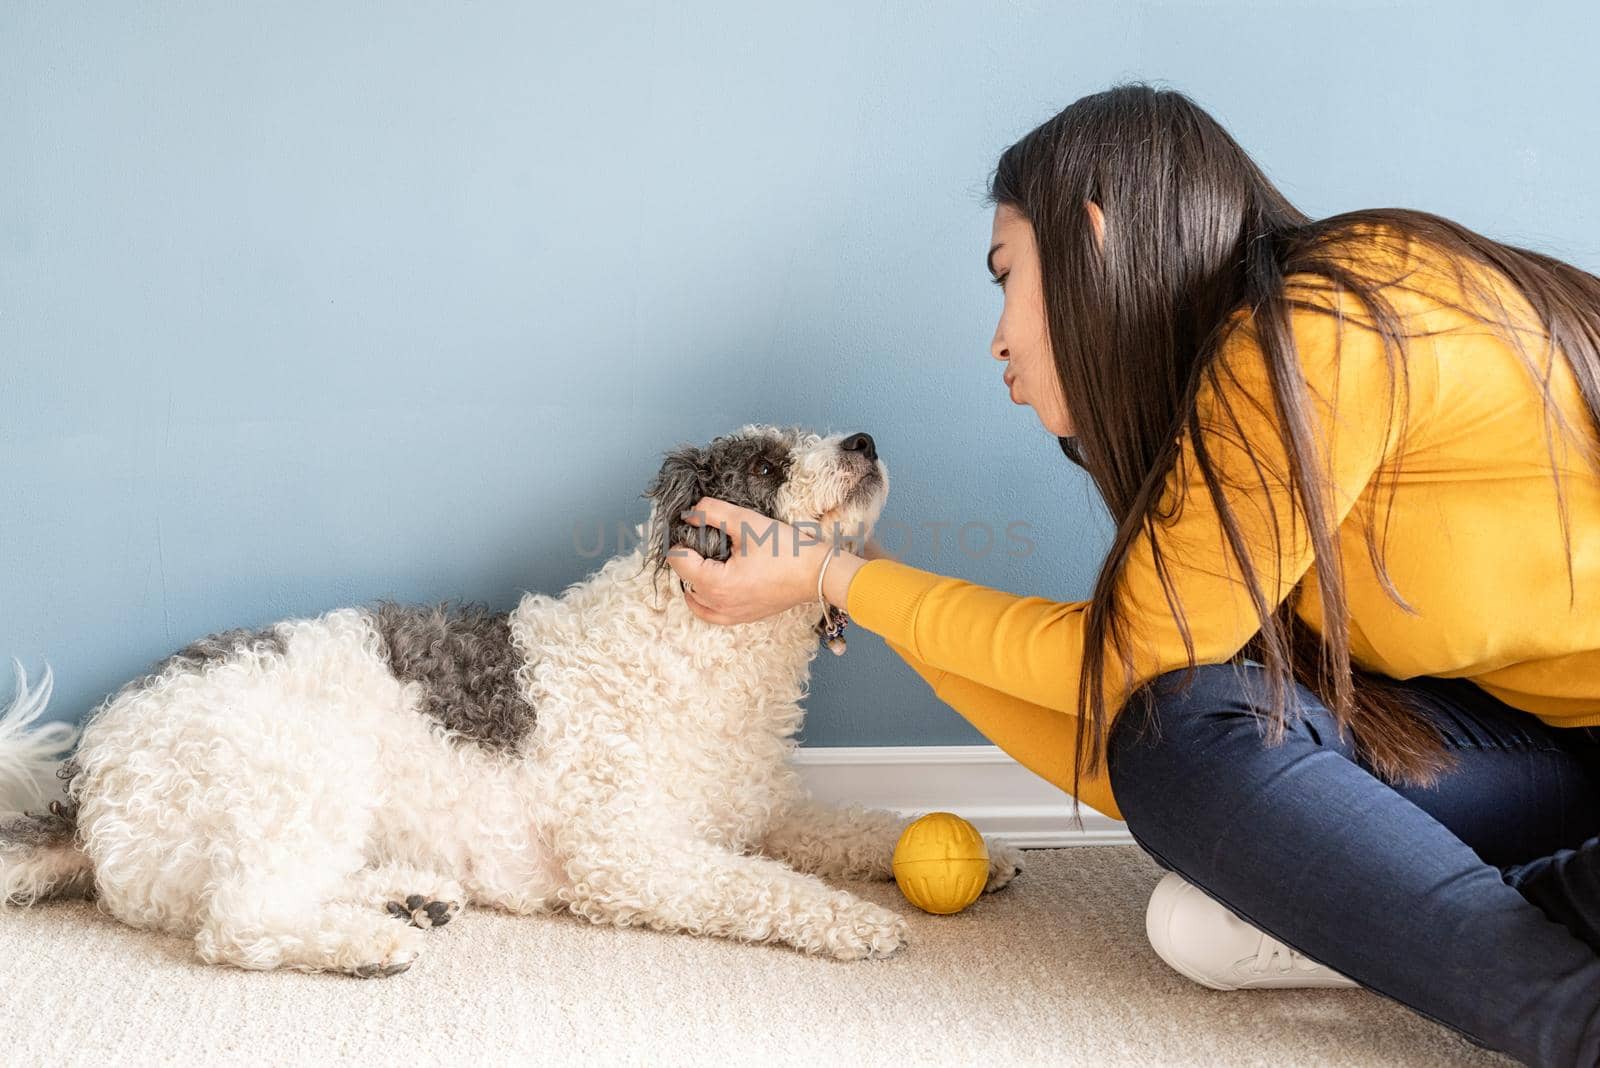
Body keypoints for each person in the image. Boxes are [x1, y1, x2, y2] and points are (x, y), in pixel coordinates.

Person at [665, 83, 1600, 1067]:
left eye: (1004, 276)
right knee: (1187, 733)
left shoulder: (1324, 325)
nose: (997, 338)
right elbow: (1140, 734)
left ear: (1092, 237)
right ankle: (1526, 930)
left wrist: (836, 579)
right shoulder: (1245, 414)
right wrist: (851, 580)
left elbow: (1116, 668)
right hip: (1553, 760)